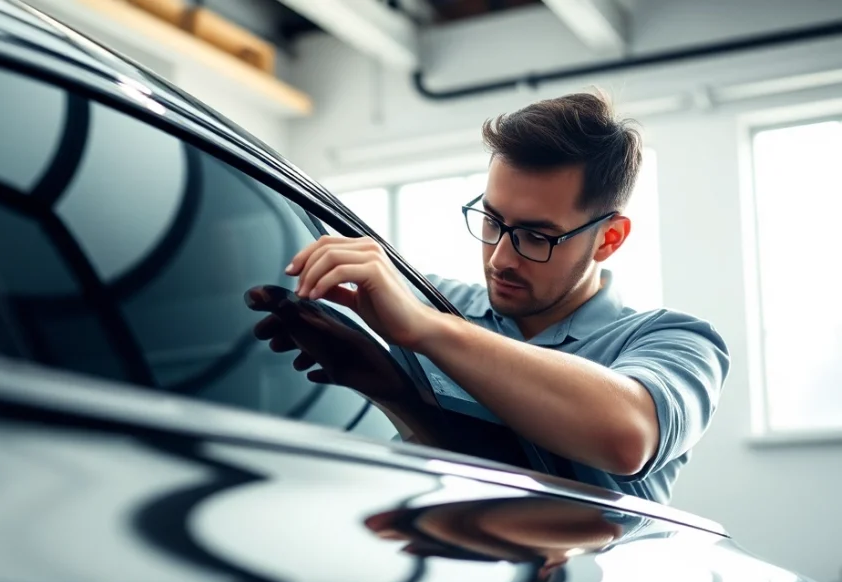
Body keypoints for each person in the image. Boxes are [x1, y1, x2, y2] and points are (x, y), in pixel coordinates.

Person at [258, 91, 730, 504]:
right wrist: (390, 386)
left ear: (608, 239)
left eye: (535, 236)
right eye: (492, 222)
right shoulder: (427, 297)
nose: (500, 257)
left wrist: (428, 329)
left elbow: (628, 436)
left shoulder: (676, 340)